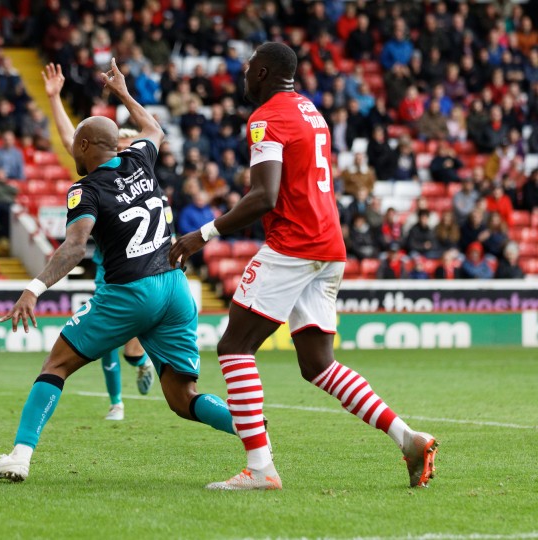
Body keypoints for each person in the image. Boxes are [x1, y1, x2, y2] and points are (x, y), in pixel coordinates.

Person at [170, 43, 437, 490]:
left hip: (294, 243)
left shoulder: (267, 117)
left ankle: (260, 469)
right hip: (329, 244)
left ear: (265, 72)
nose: (243, 74)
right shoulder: (311, 110)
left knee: (235, 346)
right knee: (318, 364)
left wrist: (203, 234)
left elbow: (264, 196)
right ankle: (407, 437)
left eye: (249, 67)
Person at [0, 58, 235, 483]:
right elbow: (155, 129)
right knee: (182, 397)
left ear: (82, 147)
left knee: (55, 365)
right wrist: (123, 93)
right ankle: (255, 434)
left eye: (74, 144)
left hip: (131, 291)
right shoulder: (139, 158)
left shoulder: (86, 189)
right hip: (175, 288)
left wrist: (34, 289)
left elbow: (75, 247)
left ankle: (20, 456)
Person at [41, 62, 157, 420]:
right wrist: (55, 98)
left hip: (146, 265)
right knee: (111, 343)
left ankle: (143, 363)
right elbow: (69, 140)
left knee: (131, 346)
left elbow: (150, 130)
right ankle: (116, 402)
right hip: (114, 268)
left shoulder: (136, 163)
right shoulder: (116, 162)